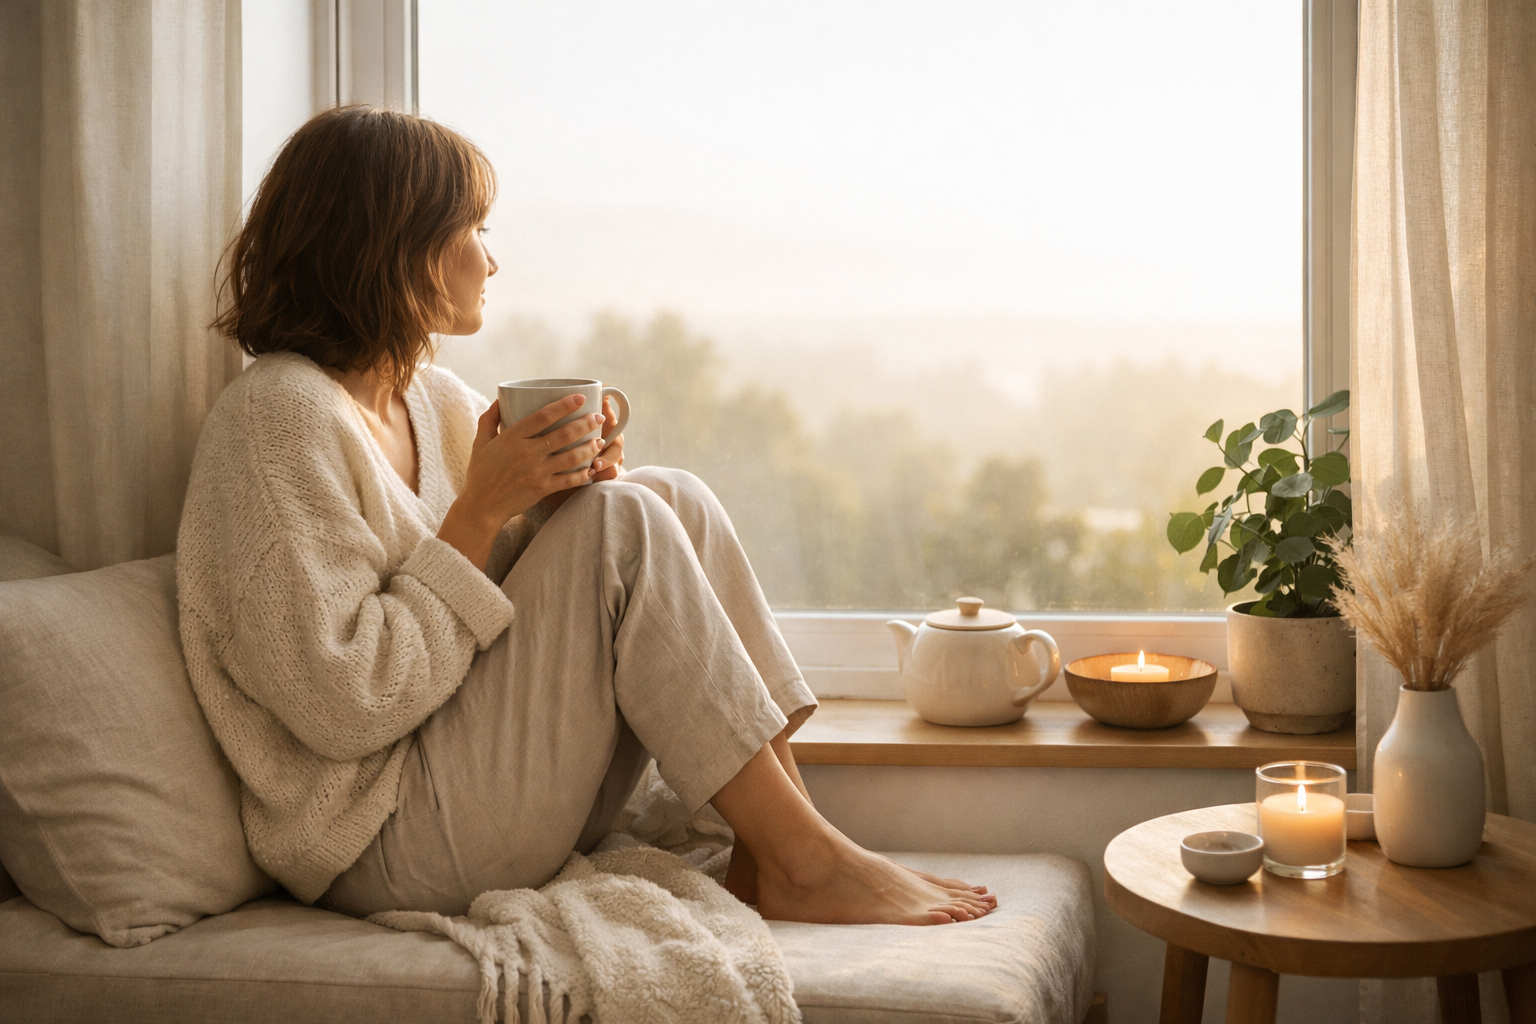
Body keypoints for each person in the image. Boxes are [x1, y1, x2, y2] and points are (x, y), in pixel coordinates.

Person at [177, 105, 995, 927]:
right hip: (380, 838)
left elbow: (521, 593)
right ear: (396, 245)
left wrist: (562, 502)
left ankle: (779, 847)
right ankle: (807, 861)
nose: (492, 261)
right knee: (624, 524)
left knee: (664, 498)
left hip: (473, 778)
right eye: (474, 229)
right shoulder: (277, 420)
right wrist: (485, 509)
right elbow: (341, 706)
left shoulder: (432, 403)